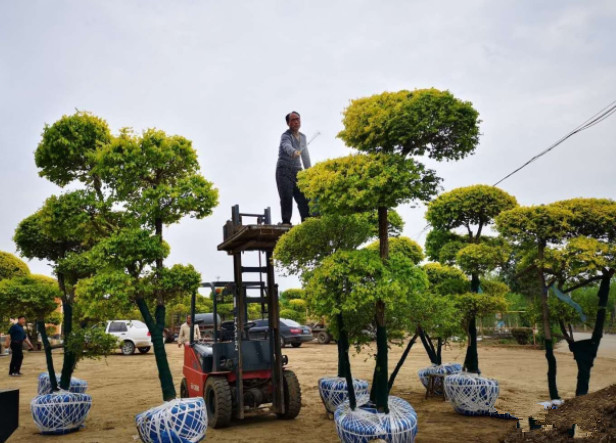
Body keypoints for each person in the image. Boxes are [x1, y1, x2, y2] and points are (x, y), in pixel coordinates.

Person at [276, 111, 312, 225]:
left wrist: (310, 173)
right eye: (293, 120)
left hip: (298, 172)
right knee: (286, 198)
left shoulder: (303, 137)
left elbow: (305, 156)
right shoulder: (286, 136)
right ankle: (286, 222)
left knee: (303, 199)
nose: (296, 122)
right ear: (288, 123)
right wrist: (293, 152)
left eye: (297, 119)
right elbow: (286, 146)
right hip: (284, 171)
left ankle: (306, 222)